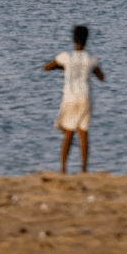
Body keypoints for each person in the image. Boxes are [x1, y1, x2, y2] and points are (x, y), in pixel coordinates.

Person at [43, 25, 103, 173]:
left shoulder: (65, 57)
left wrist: (64, 68)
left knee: (69, 132)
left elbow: (47, 67)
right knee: (83, 133)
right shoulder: (91, 59)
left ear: (73, 39)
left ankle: (63, 167)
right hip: (86, 97)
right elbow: (101, 77)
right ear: (87, 40)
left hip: (70, 97)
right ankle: (84, 168)